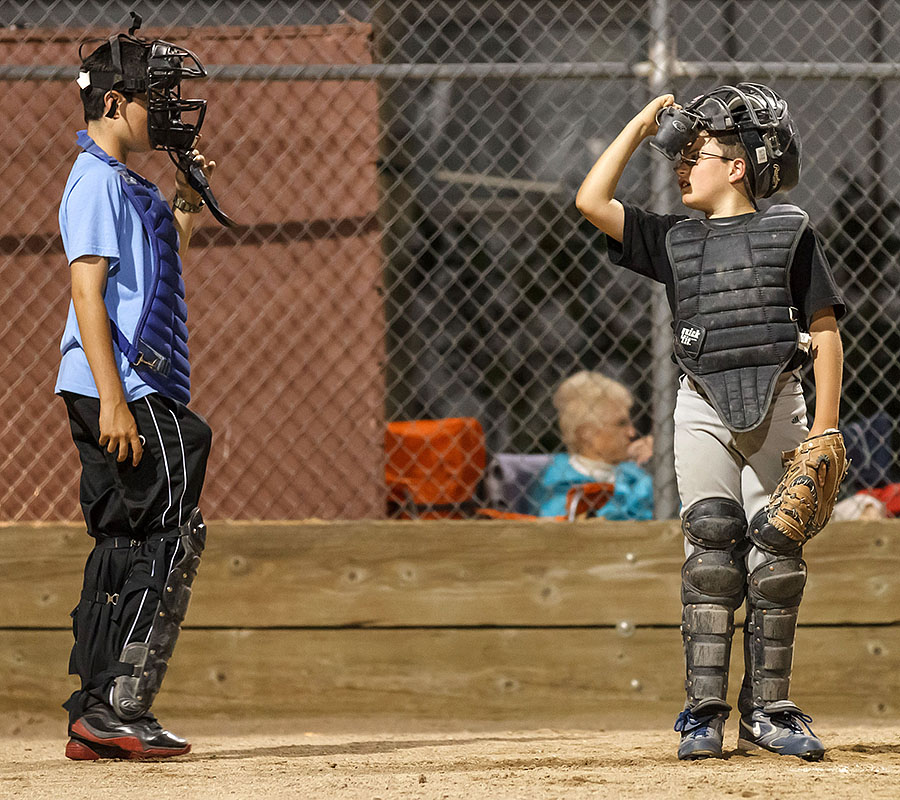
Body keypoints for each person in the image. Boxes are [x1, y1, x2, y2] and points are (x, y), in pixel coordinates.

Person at [576, 84, 844, 761]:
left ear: (741, 165)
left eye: (700, 153)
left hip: (779, 402)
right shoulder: (674, 239)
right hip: (701, 406)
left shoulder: (789, 232)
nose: (682, 163)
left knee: (776, 557)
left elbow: (825, 331)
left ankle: (770, 710)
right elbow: (590, 201)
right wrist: (640, 125)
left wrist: (826, 430)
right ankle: (703, 710)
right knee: (712, 548)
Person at [55, 24, 217, 760]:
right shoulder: (93, 180)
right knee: (174, 522)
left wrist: (182, 207)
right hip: (120, 385)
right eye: (158, 98)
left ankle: (96, 712)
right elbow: (87, 293)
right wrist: (116, 399)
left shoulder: (126, 185)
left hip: (116, 381)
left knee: (122, 536)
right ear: (115, 104)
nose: (170, 110)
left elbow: (144, 286)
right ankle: (122, 702)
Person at [528, 371, 653, 519]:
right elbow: (607, 525)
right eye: (621, 424)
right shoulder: (558, 486)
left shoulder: (632, 474)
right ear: (586, 433)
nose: (632, 433)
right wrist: (654, 475)